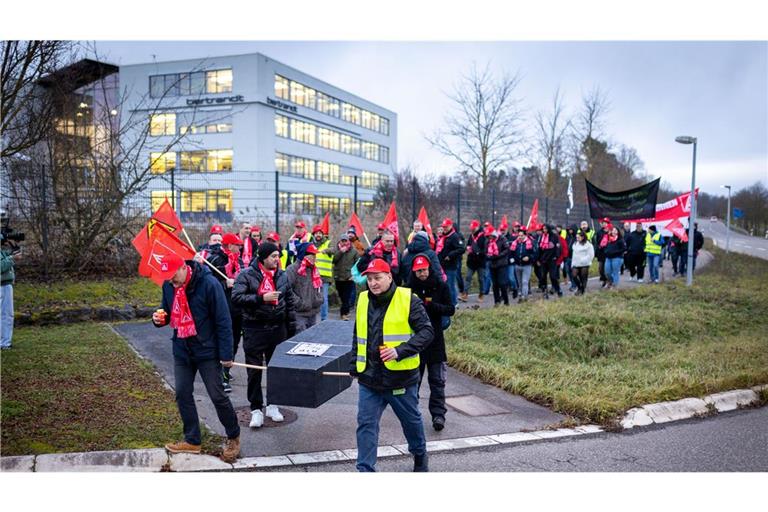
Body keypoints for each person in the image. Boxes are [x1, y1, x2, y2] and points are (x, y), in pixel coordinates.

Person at [151, 253, 240, 463]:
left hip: (207, 350)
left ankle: (233, 436)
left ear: (184, 267)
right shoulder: (169, 285)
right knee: (182, 393)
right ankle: (192, 440)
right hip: (182, 348)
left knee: (217, 396)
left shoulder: (209, 284)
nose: (171, 282)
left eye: (173, 277)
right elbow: (167, 312)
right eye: (168, 279)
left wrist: (227, 355)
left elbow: (223, 320)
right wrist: (158, 319)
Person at [348, 258, 434, 472]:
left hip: (400, 378)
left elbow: (427, 332)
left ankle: (419, 453)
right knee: (366, 424)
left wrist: (399, 351)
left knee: (411, 422)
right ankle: (365, 469)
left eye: (377, 278)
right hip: (369, 379)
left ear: (389, 277)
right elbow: (358, 334)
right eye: (369, 279)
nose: (373, 283)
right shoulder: (363, 299)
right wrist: (353, 364)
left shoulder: (408, 299)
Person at [232, 242, 296, 428]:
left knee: (276, 369)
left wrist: (291, 330)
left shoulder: (282, 276)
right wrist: (261, 298)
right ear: (263, 257)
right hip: (254, 329)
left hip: (277, 329)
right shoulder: (246, 275)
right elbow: (236, 298)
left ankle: (273, 405)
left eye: (278, 256)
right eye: (273, 256)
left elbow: (289, 302)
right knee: (254, 371)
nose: (277, 260)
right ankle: (256, 409)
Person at [408, 256, 454, 431]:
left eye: (425, 270)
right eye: (419, 271)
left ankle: (438, 415)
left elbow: (450, 309)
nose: (422, 273)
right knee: (414, 381)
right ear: (414, 271)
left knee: (437, 381)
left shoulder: (440, 285)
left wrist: (432, 305)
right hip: (415, 342)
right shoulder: (408, 289)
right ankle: (412, 415)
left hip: (435, 341)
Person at [220, 232, 245, 393]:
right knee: (224, 341)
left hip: (238, 308)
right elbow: (209, 284)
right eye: (237, 245)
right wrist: (224, 283)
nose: (240, 248)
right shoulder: (216, 261)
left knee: (235, 341)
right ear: (229, 246)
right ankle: (221, 376)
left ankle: (227, 371)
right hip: (222, 309)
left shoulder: (240, 261)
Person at [285, 244, 324, 333]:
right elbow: (287, 290)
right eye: (312, 254)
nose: (315, 257)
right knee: (300, 343)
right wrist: (299, 303)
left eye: (315, 255)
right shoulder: (292, 269)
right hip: (299, 314)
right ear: (304, 255)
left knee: (313, 341)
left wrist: (319, 299)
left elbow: (319, 287)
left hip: (314, 312)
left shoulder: (314, 269)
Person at [323, 234, 357, 320]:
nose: (344, 242)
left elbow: (357, 263)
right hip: (338, 278)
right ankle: (345, 311)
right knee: (342, 297)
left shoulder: (353, 251)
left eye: (346, 240)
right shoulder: (336, 249)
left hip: (349, 278)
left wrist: (354, 275)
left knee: (346, 297)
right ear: (340, 241)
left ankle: (344, 314)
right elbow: (333, 260)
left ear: (348, 241)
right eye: (343, 241)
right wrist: (341, 252)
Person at [436, 218, 465, 306]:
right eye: (443, 227)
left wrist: (450, 255)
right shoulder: (443, 236)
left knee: (450, 284)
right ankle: (446, 301)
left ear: (451, 226)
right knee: (444, 284)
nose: (444, 228)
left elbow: (461, 248)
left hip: (450, 266)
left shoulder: (454, 236)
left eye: (446, 227)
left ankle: (453, 303)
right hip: (442, 265)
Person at [311, 225, 333, 321]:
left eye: (320, 233)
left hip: (324, 277)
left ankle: (324, 319)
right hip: (312, 276)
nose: (318, 235)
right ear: (314, 235)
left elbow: (334, 250)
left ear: (323, 234)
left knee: (323, 299)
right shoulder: (310, 244)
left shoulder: (328, 243)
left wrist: (327, 250)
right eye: (316, 233)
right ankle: (312, 318)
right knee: (312, 298)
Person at [462, 219, 486, 302]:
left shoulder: (483, 236)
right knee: (468, 277)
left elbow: (485, 249)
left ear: (477, 227)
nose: (472, 229)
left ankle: (481, 294)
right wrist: (468, 248)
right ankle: (465, 294)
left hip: (480, 261)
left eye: (473, 228)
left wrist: (479, 252)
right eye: (471, 228)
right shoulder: (471, 236)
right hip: (471, 261)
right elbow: (468, 244)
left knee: (481, 279)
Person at [510, 226, 536, 302]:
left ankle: (525, 297)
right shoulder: (515, 243)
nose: (520, 237)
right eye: (519, 235)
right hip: (517, 265)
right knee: (519, 282)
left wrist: (529, 257)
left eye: (522, 235)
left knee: (525, 281)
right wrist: (512, 260)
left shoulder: (530, 242)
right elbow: (511, 253)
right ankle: (520, 295)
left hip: (527, 266)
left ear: (525, 235)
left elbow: (534, 254)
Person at [537, 224, 563, 299]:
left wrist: (556, 256)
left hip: (552, 260)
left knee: (553, 277)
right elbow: (539, 249)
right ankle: (545, 292)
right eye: (543, 229)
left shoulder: (554, 237)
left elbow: (558, 247)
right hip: (543, 260)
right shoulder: (541, 237)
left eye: (546, 229)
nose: (544, 230)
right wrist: (538, 259)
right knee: (542, 277)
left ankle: (558, 290)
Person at [1, 234, 17, 350]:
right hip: (2, 285)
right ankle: (4, 342)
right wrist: (13, 259)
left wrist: (14, 248)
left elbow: (5, 257)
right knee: (4, 314)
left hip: (6, 284)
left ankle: (5, 342)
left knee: (7, 314)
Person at [486, 230, 510, 306]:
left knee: (502, 283)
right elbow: (485, 251)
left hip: (501, 264)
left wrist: (499, 255)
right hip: (492, 264)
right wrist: (488, 256)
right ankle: (497, 301)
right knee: (495, 284)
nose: (490, 238)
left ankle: (506, 301)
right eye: (488, 236)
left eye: (491, 236)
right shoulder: (488, 242)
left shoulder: (502, 239)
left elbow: (507, 249)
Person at [571, 230, 595, 295]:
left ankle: (582, 290)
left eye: (578, 237)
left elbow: (591, 255)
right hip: (576, 263)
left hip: (585, 263)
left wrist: (584, 260)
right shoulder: (575, 244)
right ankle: (579, 287)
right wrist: (572, 263)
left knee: (583, 277)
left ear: (583, 237)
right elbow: (574, 254)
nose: (577, 239)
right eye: (576, 238)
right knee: (574, 275)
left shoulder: (588, 245)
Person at [594, 217, 611, 288]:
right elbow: (597, 242)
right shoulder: (599, 232)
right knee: (601, 269)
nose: (604, 224)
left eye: (606, 223)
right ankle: (603, 279)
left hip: (608, 253)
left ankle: (608, 281)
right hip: (601, 253)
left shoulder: (611, 231)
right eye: (603, 223)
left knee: (607, 269)